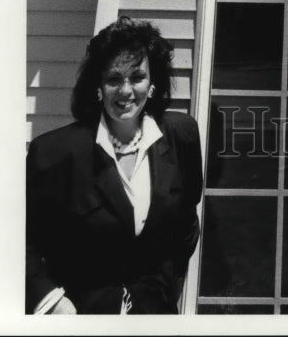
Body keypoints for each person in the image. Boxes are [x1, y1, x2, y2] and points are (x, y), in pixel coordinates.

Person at [26, 16, 203, 314]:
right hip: (80, 317)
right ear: (98, 86)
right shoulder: (54, 152)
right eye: (113, 79)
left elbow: (186, 222)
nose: (125, 90)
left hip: (154, 315)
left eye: (137, 77)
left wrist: (166, 283)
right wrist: (53, 301)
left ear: (152, 83)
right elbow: (20, 240)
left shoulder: (181, 135)